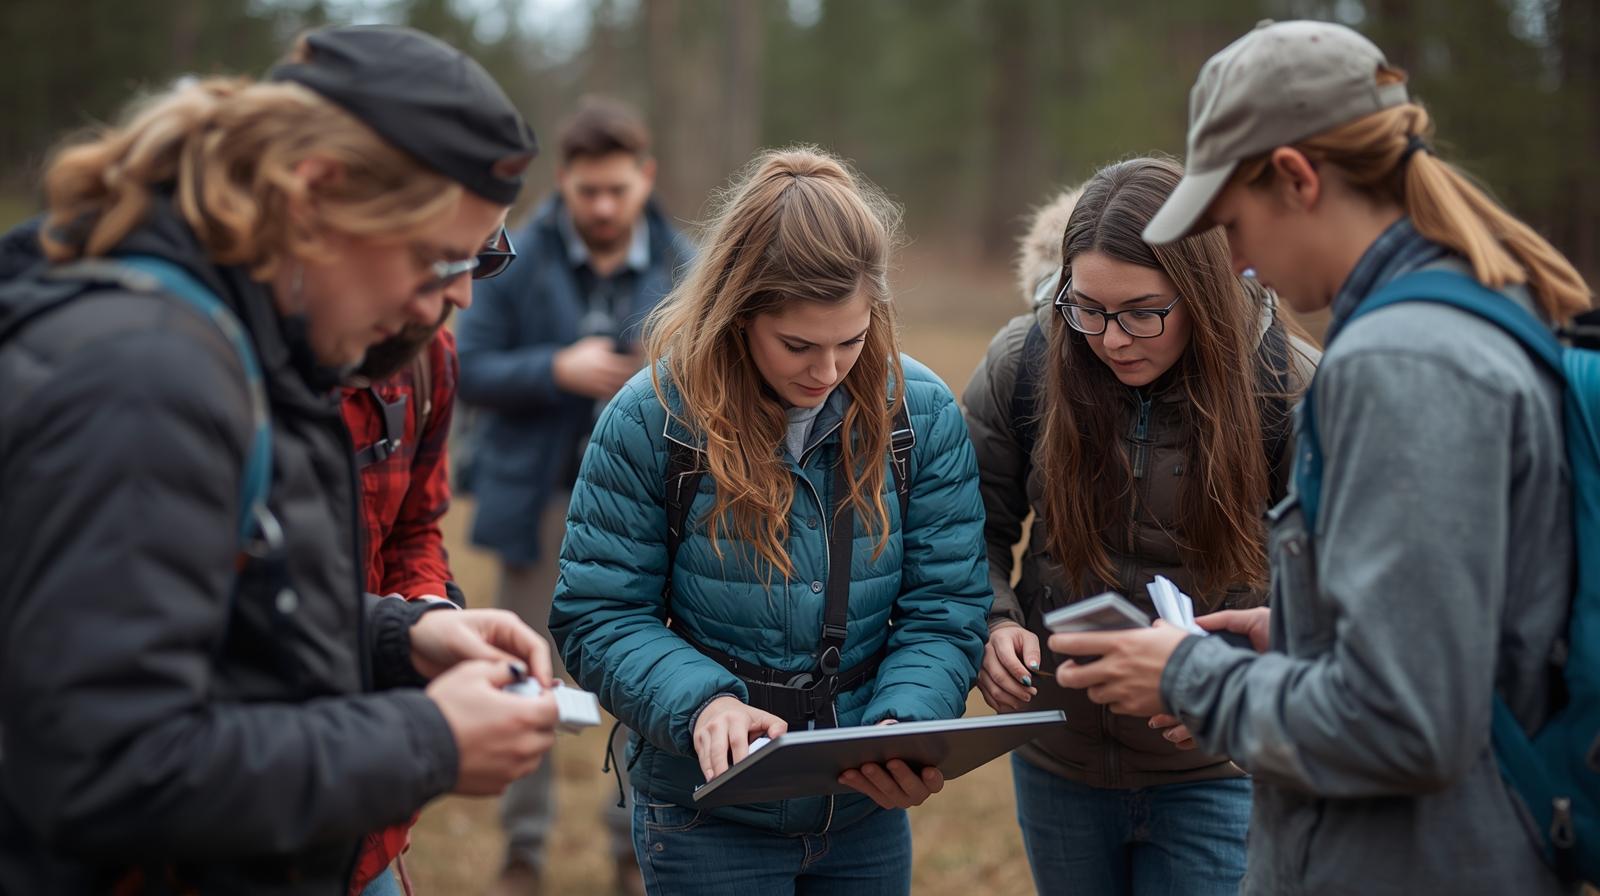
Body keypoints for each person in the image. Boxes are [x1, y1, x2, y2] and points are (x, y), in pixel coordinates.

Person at [0, 26, 564, 894]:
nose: (456, 296)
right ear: (314, 194)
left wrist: (399, 635)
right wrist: (427, 741)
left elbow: (213, 608)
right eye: (437, 258)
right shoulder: (147, 377)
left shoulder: (240, 339)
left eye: (478, 261)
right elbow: (110, 767)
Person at [1048, 20, 1593, 895]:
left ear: (1298, 178)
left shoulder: (1402, 365)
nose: (1232, 261)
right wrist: (1302, 635)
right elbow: (1457, 642)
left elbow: (1404, 723)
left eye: (1231, 222)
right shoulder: (1476, 314)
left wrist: (1187, 675)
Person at [547, 147, 991, 896]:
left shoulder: (918, 414)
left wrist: (907, 722)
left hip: (863, 818)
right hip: (705, 818)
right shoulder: (652, 418)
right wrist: (703, 703)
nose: (828, 371)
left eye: (851, 341)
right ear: (738, 312)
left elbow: (945, 605)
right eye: (797, 346)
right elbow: (598, 614)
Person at [963, 156, 1318, 895]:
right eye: (1088, 308)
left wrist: (1239, 686)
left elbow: (1337, 587)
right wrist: (994, 621)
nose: (1112, 339)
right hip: (1057, 760)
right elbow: (967, 531)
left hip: (1215, 771)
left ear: (1203, 292)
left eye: (1142, 312)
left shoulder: (1289, 387)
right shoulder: (1027, 361)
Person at [455, 98, 691, 896]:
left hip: (654, 507)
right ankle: (522, 853)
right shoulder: (509, 256)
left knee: (643, 677)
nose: (603, 207)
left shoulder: (686, 264)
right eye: (588, 191)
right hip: (540, 501)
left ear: (645, 178)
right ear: (564, 180)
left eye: (617, 190)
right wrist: (555, 369)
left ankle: (635, 847)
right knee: (527, 678)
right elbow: (465, 363)